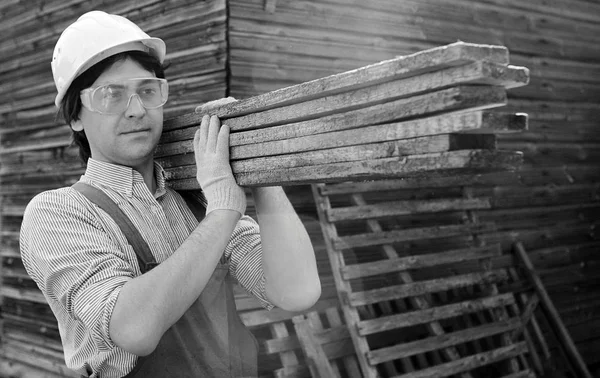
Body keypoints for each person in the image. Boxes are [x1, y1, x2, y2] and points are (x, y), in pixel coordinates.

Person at [19, 10, 321, 378]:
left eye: (147, 91)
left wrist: (259, 171)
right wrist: (223, 212)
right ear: (75, 117)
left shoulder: (196, 201)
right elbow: (134, 329)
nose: (136, 110)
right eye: (111, 95)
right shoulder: (58, 214)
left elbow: (296, 293)